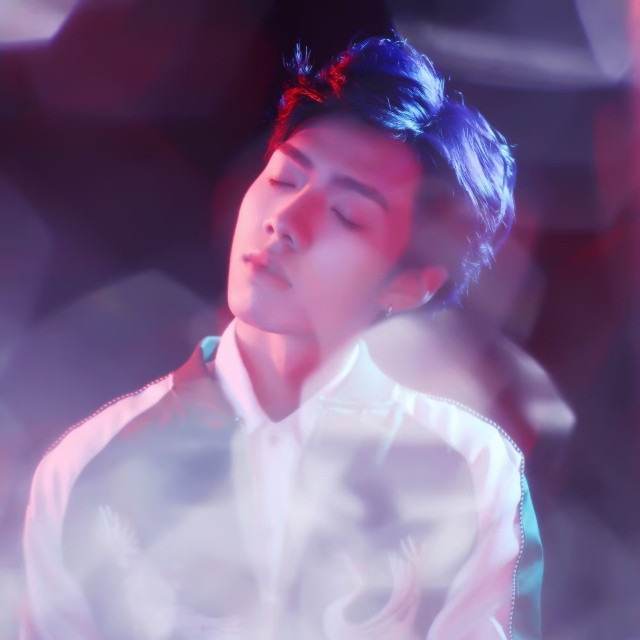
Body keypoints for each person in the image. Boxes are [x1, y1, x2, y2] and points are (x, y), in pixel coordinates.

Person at [22, 37, 543, 639]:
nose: (286, 221)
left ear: (409, 285)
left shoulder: (472, 473)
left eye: (347, 215)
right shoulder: (90, 463)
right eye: (284, 178)